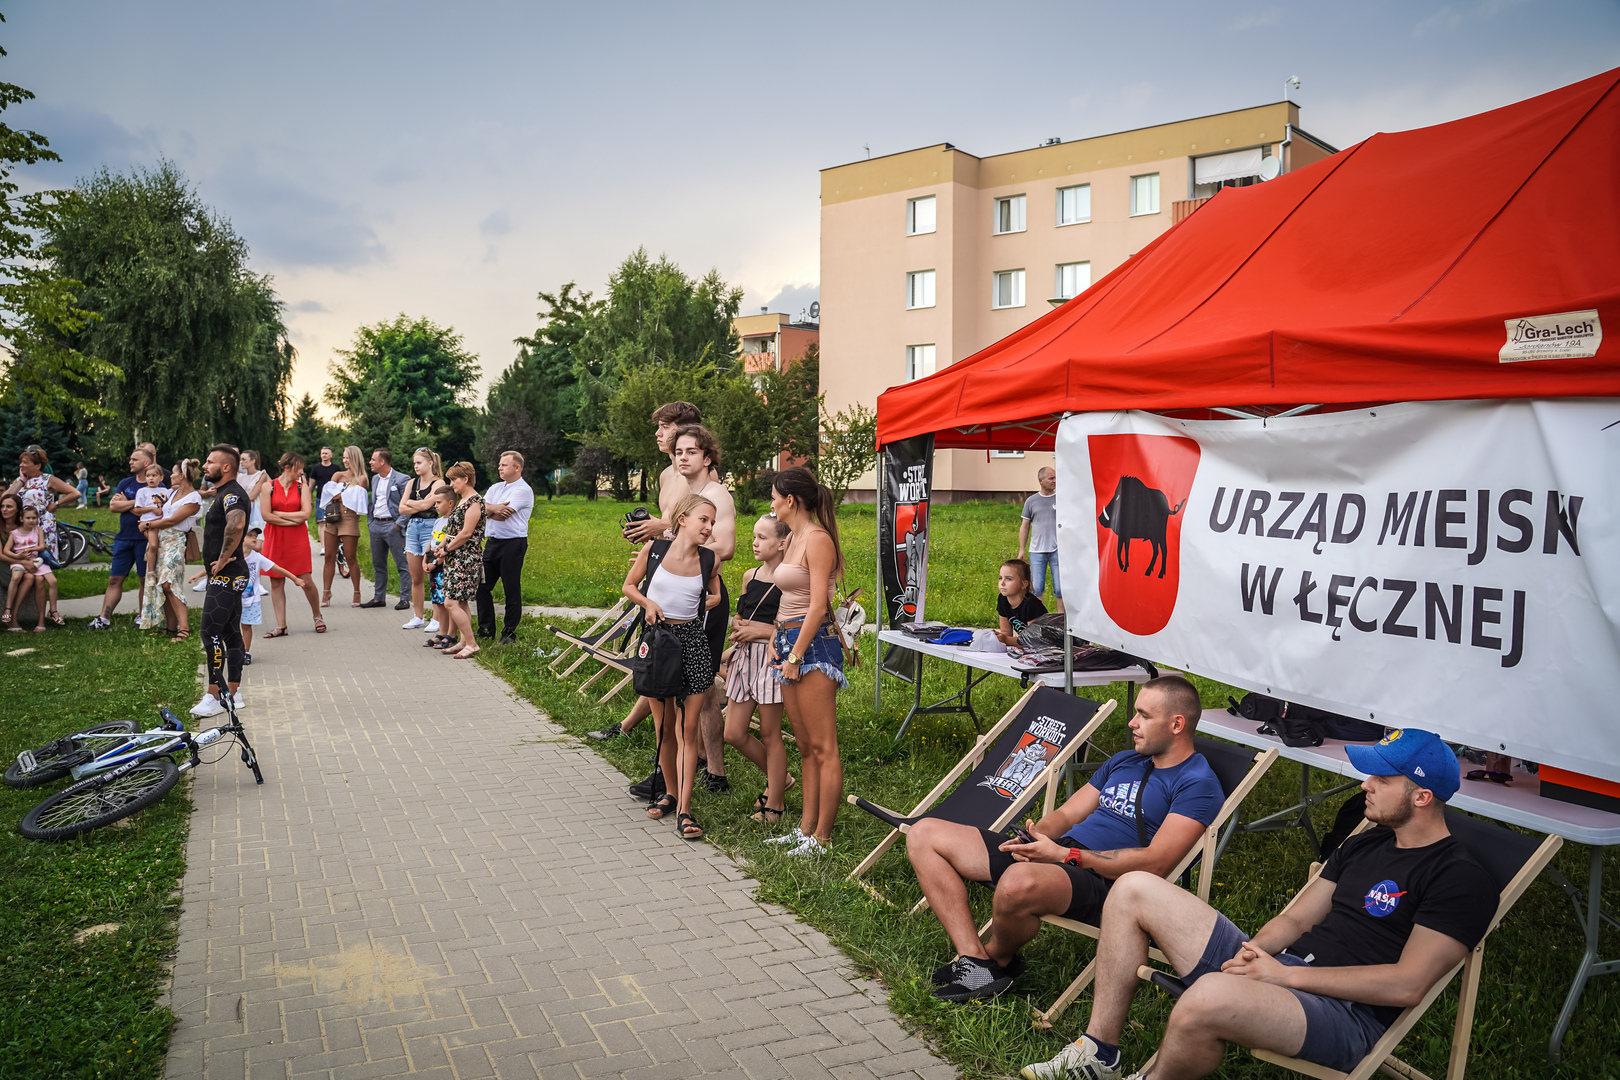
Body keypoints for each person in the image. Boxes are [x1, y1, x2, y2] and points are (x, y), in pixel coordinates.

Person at [1020, 729, 1493, 1080]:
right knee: (1134, 887)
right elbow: (1298, 918)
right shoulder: (1367, 842)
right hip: (1281, 970)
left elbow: (1407, 985)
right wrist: (1256, 953)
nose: (1365, 784)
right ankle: (1100, 1052)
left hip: (1347, 1014)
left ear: (1422, 796)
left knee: (1206, 999)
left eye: (1382, 779)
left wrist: (1286, 977)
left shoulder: (1459, 878)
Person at [908, 675, 1224, 1003]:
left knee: (1017, 883)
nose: (1132, 723)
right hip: (1060, 855)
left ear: (1176, 724)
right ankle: (975, 960)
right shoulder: (1125, 761)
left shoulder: (1196, 783)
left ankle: (997, 958)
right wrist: (1037, 836)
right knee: (924, 834)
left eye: (1144, 715)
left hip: (1108, 880)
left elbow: (1157, 863)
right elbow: (1067, 815)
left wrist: (1065, 856)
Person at [622, 493, 723, 841]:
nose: (709, 527)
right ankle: (670, 793)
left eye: (713, 522)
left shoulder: (710, 560)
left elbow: (716, 596)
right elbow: (629, 586)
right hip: (658, 643)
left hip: (693, 644)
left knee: (687, 731)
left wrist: (698, 604)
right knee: (664, 728)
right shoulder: (654, 551)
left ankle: (685, 810)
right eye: (703, 520)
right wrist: (648, 603)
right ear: (682, 519)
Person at [763, 467, 848, 858]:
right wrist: (775, 637)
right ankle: (805, 830)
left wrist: (796, 655)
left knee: (824, 747)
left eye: (774, 497)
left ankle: (822, 839)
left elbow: (817, 606)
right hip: (788, 641)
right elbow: (788, 598)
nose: (771, 503)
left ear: (790, 500)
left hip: (812, 647)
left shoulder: (817, 539)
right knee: (805, 747)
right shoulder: (795, 537)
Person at [724, 514, 796, 826]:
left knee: (769, 733)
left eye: (762, 538)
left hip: (770, 658)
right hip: (744, 658)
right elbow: (740, 615)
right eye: (754, 536)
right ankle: (782, 779)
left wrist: (757, 631)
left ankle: (775, 805)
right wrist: (738, 625)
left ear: (782, 543)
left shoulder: (789, 581)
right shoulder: (750, 576)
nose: (754, 543)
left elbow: (790, 628)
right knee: (733, 732)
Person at [192, 445, 250, 719]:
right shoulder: (225, 493)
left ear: (225, 467)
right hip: (231, 573)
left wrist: (223, 558)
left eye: (209, 461)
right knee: (229, 633)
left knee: (209, 632)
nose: (204, 466)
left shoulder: (232, 494)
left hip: (228, 574)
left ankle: (214, 696)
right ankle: (234, 694)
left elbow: (236, 524)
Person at [259, 451, 325, 636]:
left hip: (297, 539)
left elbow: (305, 514)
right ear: (287, 467)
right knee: (276, 582)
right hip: (274, 538)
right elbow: (266, 515)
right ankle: (281, 626)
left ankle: (317, 615)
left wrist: (279, 514)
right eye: (299, 468)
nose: (302, 472)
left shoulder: (302, 487)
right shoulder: (268, 487)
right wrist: (291, 521)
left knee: (306, 581)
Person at [89, 447, 155, 628]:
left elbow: (154, 510)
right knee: (114, 579)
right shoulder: (125, 483)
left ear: (146, 463)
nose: (130, 462)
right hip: (123, 538)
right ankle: (103, 619)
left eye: (134, 459)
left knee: (144, 579)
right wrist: (139, 504)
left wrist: (126, 503)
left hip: (145, 539)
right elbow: (113, 507)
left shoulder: (155, 484)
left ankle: (142, 616)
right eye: (130, 459)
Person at [139, 459, 203, 640]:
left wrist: (148, 524)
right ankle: (171, 627)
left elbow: (173, 520)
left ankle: (185, 628)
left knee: (170, 583)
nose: (170, 476)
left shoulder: (193, 498)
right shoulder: (174, 492)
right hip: (161, 540)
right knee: (162, 584)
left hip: (175, 541)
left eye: (173, 473)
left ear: (182, 475)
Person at [477, 450, 534, 644]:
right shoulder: (495, 488)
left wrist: (488, 510)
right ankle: (486, 629)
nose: (499, 467)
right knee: (481, 585)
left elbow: (503, 515)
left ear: (516, 467)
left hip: (512, 544)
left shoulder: (523, 490)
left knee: (511, 587)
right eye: (499, 464)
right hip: (492, 543)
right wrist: (493, 508)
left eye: (504, 465)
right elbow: (480, 509)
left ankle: (509, 632)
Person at [232, 527, 308, 673]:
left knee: (246, 626)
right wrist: (201, 575)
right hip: (233, 599)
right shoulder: (234, 556)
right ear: (240, 538)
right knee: (232, 627)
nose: (254, 538)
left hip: (250, 600)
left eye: (255, 535)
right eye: (250, 535)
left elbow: (277, 568)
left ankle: (245, 652)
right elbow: (219, 565)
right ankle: (233, 650)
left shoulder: (257, 557)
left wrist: (295, 579)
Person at [437, 461, 486, 658]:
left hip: (466, 558)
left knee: (450, 603)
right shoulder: (463, 500)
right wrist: (442, 545)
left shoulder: (475, 502)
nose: (451, 484)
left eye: (454, 480)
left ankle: (472, 644)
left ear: (465, 479)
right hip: (455, 556)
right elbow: (453, 530)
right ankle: (464, 642)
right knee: (461, 602)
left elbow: (466, 533)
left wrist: (447, 549)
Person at [5, 444, 80, 565]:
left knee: (43, 562)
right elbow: (5, 499)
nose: (21, 465)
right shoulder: (19, 481)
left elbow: (75, 493)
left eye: (25, 462)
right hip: (22, 525)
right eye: (21, 462)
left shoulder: (47, 479)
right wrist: (21, 481)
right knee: (24, 561)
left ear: (37, 466)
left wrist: (56, 504)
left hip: (43, 524)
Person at [399, 448, 448, 630]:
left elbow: (428, 505)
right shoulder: (412, 482)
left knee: (432, 573)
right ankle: (418, 616)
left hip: (430, 526)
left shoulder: (438, 482)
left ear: (430, 463)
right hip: (413, 527)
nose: (416, 466)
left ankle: (436, 618)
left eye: (419, 463)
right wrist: (418, 504)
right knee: (415, 577)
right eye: (414, 463)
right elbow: (401, 508)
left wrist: (412, 503)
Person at [360, 448, 411, 609]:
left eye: (373, 459)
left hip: (392, 526)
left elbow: (408, 504)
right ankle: (379, 598)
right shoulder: (375, 479)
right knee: (378, 564)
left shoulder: (402, 479)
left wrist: (399, 524)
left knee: (402, 563)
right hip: (376, 525)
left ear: (382, 462)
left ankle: (405, 599)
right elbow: (373, 501)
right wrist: (370, 521)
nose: (370, 462)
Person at [319, 446, 367, 608]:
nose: (345, 461)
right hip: (333, 517)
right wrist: (344, 495)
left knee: (350, 556)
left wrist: (340, 495)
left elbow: (358, 501)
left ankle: (357, 592)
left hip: (349, 519)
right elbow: (327, 493)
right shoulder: (338, 475)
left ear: (355, 458)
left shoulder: (362, 478)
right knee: (328, 556)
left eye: (348, 458)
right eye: (344, 457)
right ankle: (326, 592)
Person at [3, 505, 58, 630]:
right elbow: (6, 551)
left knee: (49, 581)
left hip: (35, 561)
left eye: (34, 518)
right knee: (16, 576)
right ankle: (8, 609)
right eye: (28, 518)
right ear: (21, 518)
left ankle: (50, 613)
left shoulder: (38, 530)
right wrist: (18, 556)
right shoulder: (14, 533)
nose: (31, 520)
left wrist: (31, 549)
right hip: (19, 561)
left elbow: (42, 546)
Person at [1018, 466, 1062, 613]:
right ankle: (1039, 620)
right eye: (1051, 478)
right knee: (1037, 588)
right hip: (1037, 551)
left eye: (1055, 478)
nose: (1054, 481)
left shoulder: (1061, 499)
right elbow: (1025, 526)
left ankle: (1061, 620)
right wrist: (1022, 549)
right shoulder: (1031, 501)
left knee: (1060, 588)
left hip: (1058, 551)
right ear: (1040, 480)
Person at [422, 487, 455, 650]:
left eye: (439, 502)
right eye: (434, 502)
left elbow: (448, 545)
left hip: (443, 565)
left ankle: (451, 634)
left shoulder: (452, 522)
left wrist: (435, 562)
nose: (435, 505)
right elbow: (432, 540)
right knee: (438, 601)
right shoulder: (438, 520)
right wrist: (425, 558)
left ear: (450, 503)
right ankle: (441, 632)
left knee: (446, 601)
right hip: (432, 563)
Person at [994, 558, 1046, 645]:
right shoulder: (1003, 599)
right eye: (1000, 578)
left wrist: (1006, 640)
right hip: (1029, 644)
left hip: (1050, 645)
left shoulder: (1032, 604)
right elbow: (1006, 632)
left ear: (1024, 584)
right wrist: (999, 637)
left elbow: (1034, 639)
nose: (1002, 583)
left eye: (1008, 579)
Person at [1, 492, 27, 627]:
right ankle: (10, 617)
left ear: (17, 509)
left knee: (32, 578)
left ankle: (13, 616)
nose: (4, 509)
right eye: (2, 506)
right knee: (16, 577)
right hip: (3, 561)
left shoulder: (22, 527)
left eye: (9, 507)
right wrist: (21, 561)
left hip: (16, 562)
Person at [306, 446, 339, 544]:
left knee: (333, 522)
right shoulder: (316, 469)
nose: (324, 455)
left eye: (326, 453)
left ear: (331, 455)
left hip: (333, 500)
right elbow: (310, 485)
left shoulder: (336, 468)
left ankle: (333, 545)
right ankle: (323, 546)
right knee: (321, 523)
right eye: (322, 453)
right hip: (320, 499)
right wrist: (309, 500)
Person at [238, 450, 267, 533]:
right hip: (242, 509)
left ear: (253, 460)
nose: (241, 462)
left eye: (244, 459)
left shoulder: (261, 475)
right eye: (240, 459)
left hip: (255, 510)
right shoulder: (240, 477)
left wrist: (238, 500)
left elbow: (253, 496)